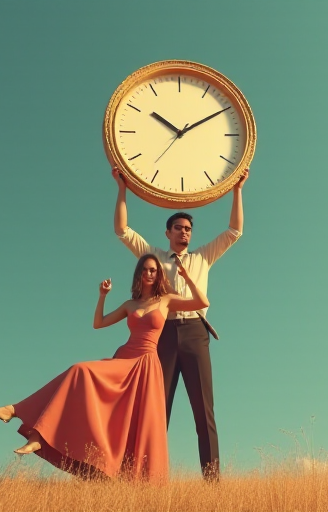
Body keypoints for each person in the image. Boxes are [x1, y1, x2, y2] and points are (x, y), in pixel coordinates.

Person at [0, 254, 207, 482]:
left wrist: (188, 278)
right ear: (139, 274)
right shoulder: (130, 305)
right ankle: (28, 424)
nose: (150, 274)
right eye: (146, 270)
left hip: (146, 365)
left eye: (154, 270)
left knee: (136, 425)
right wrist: (102, 296)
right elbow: (98, 323)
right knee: (79, 370)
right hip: (125, 358)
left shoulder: (166, 300)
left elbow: (202, 302)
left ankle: (129, 480)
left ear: (159, 274)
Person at [111, 166, 249, 480]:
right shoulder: (154, 257)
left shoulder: (202, 257)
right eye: (178, 228)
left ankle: (212, 482)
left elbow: (234, 232)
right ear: (168, 233)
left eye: (188, 228)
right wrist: (122, 188)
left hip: (196, 333)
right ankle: (145, 478)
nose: (184, 232)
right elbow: (122, 230)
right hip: (164, 335)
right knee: (157, 409)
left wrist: (237, 190)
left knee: (204, 412)